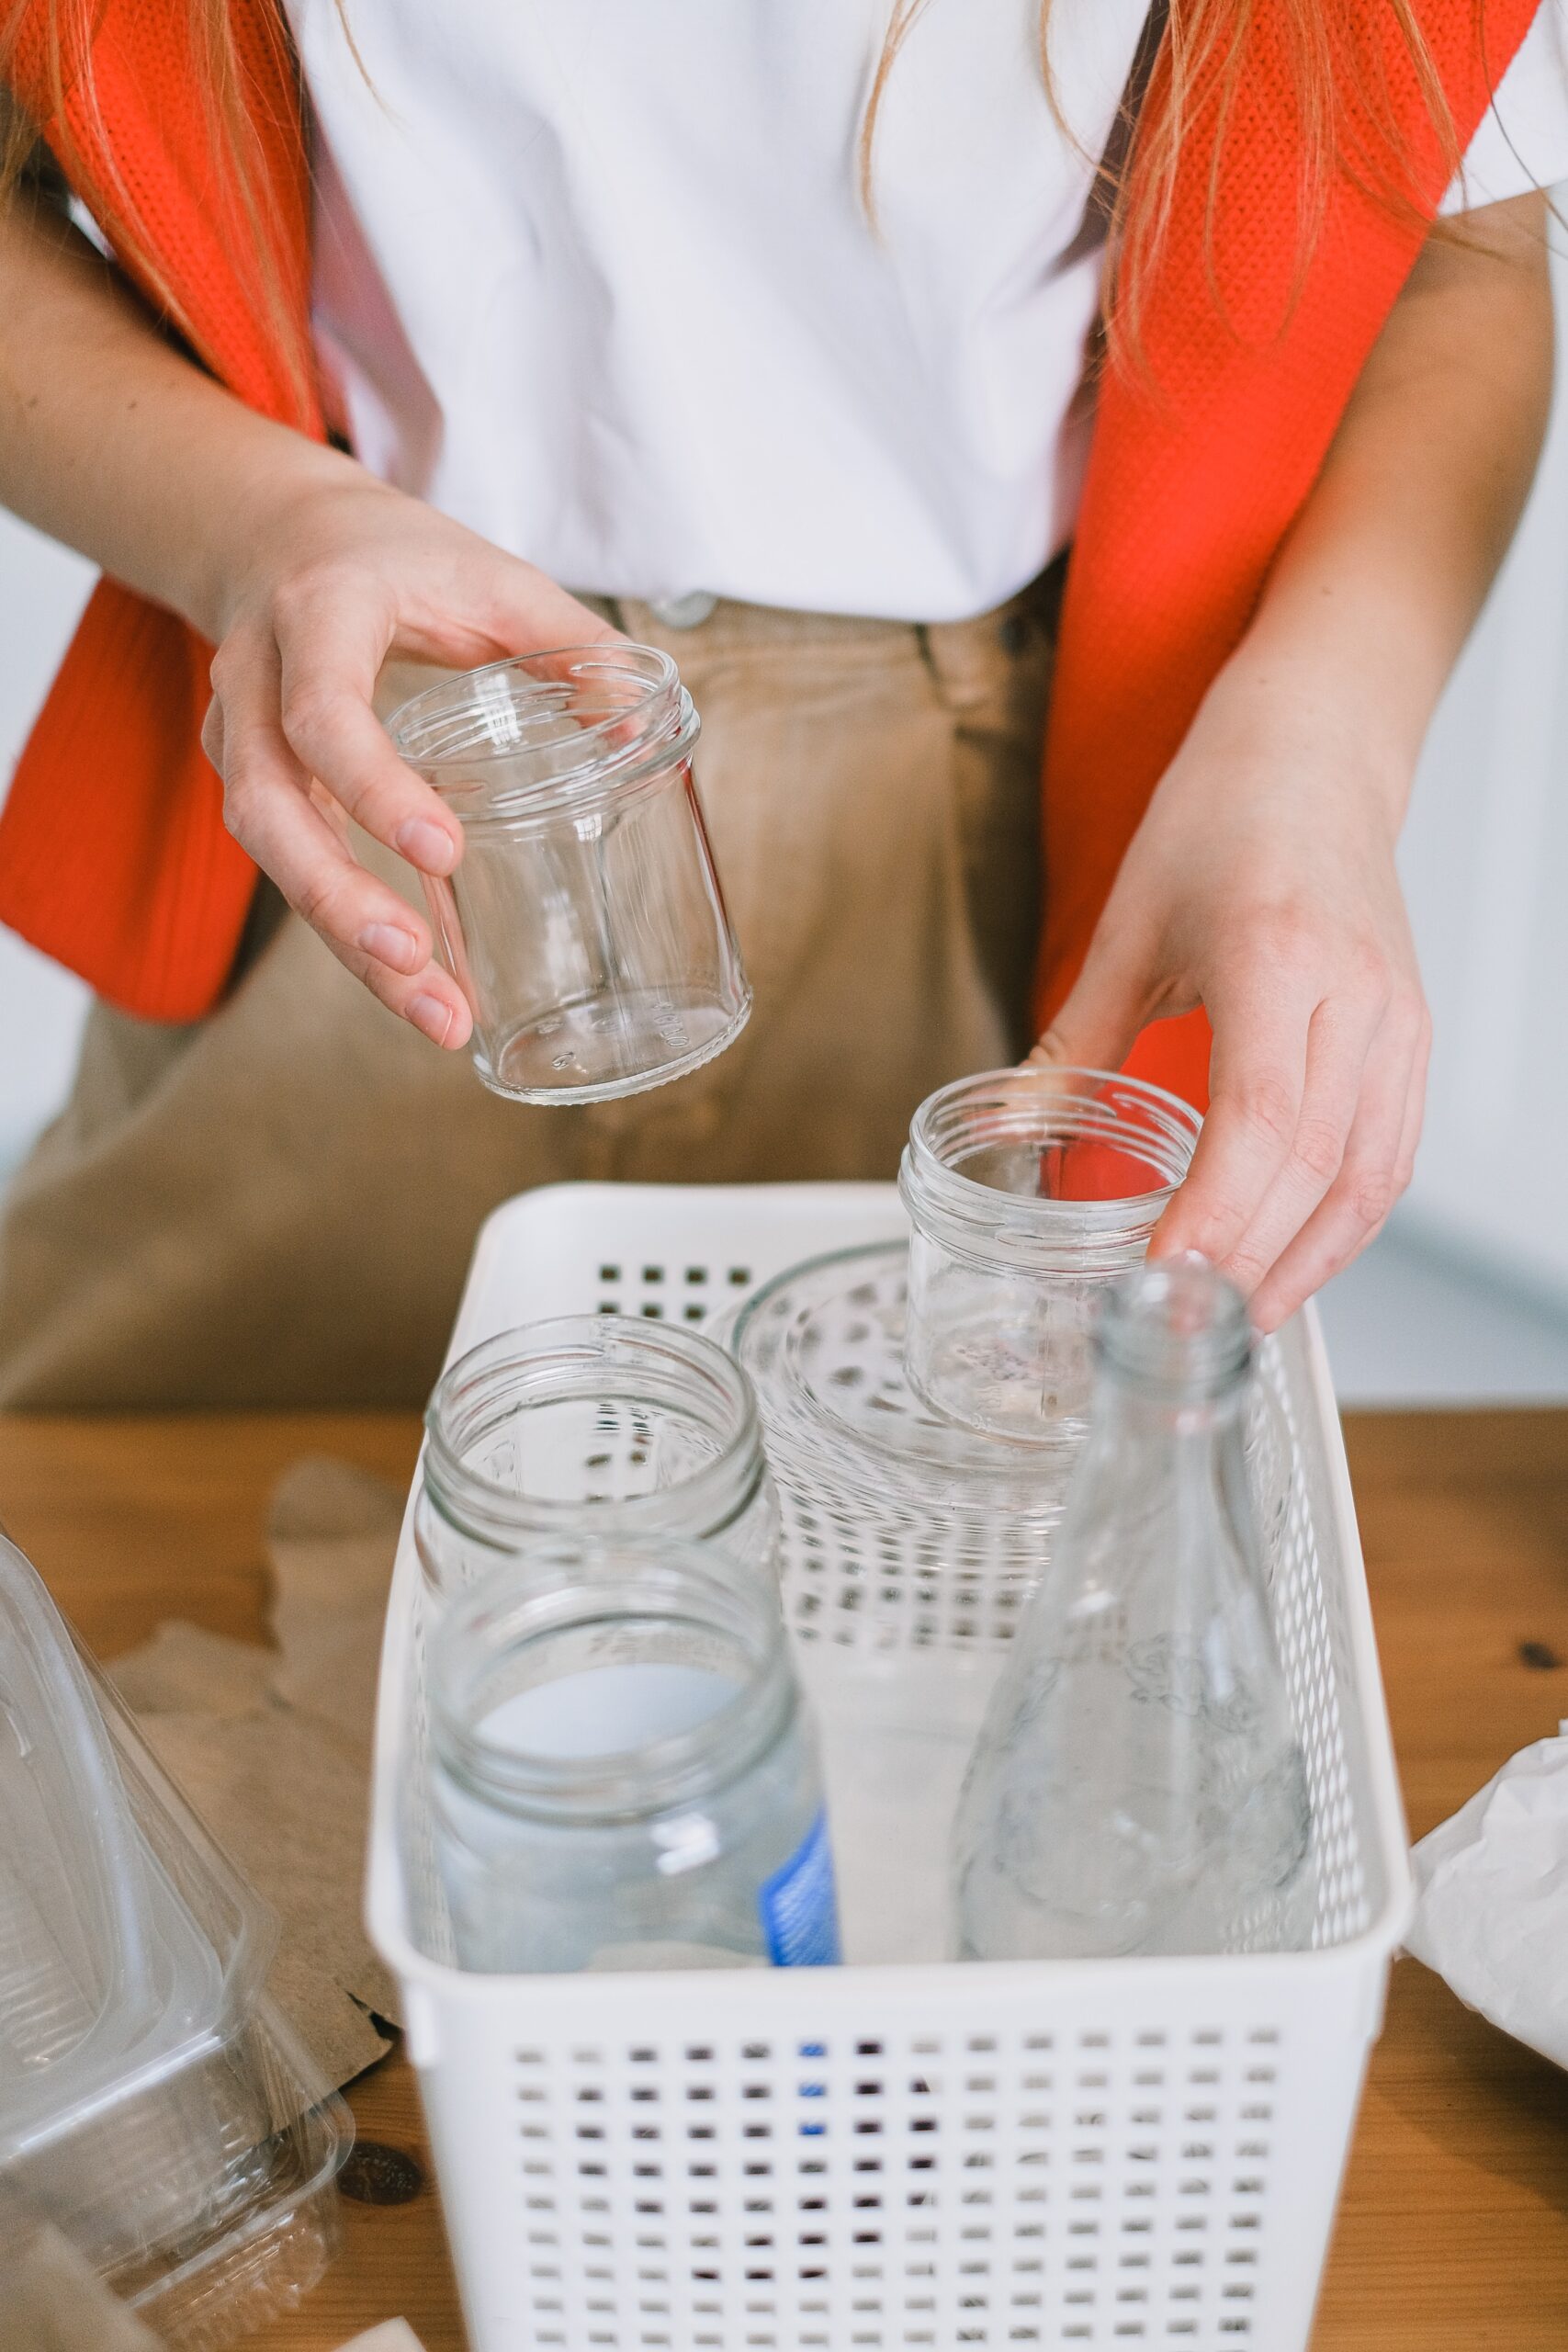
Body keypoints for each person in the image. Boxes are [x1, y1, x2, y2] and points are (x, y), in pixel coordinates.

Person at [0, 1, 1562, 1405]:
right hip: (371, 785)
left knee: (954, 1574)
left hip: (996, 837)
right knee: (113, 1568)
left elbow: (1459, 248)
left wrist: (1321, 755)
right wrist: (252, 528)